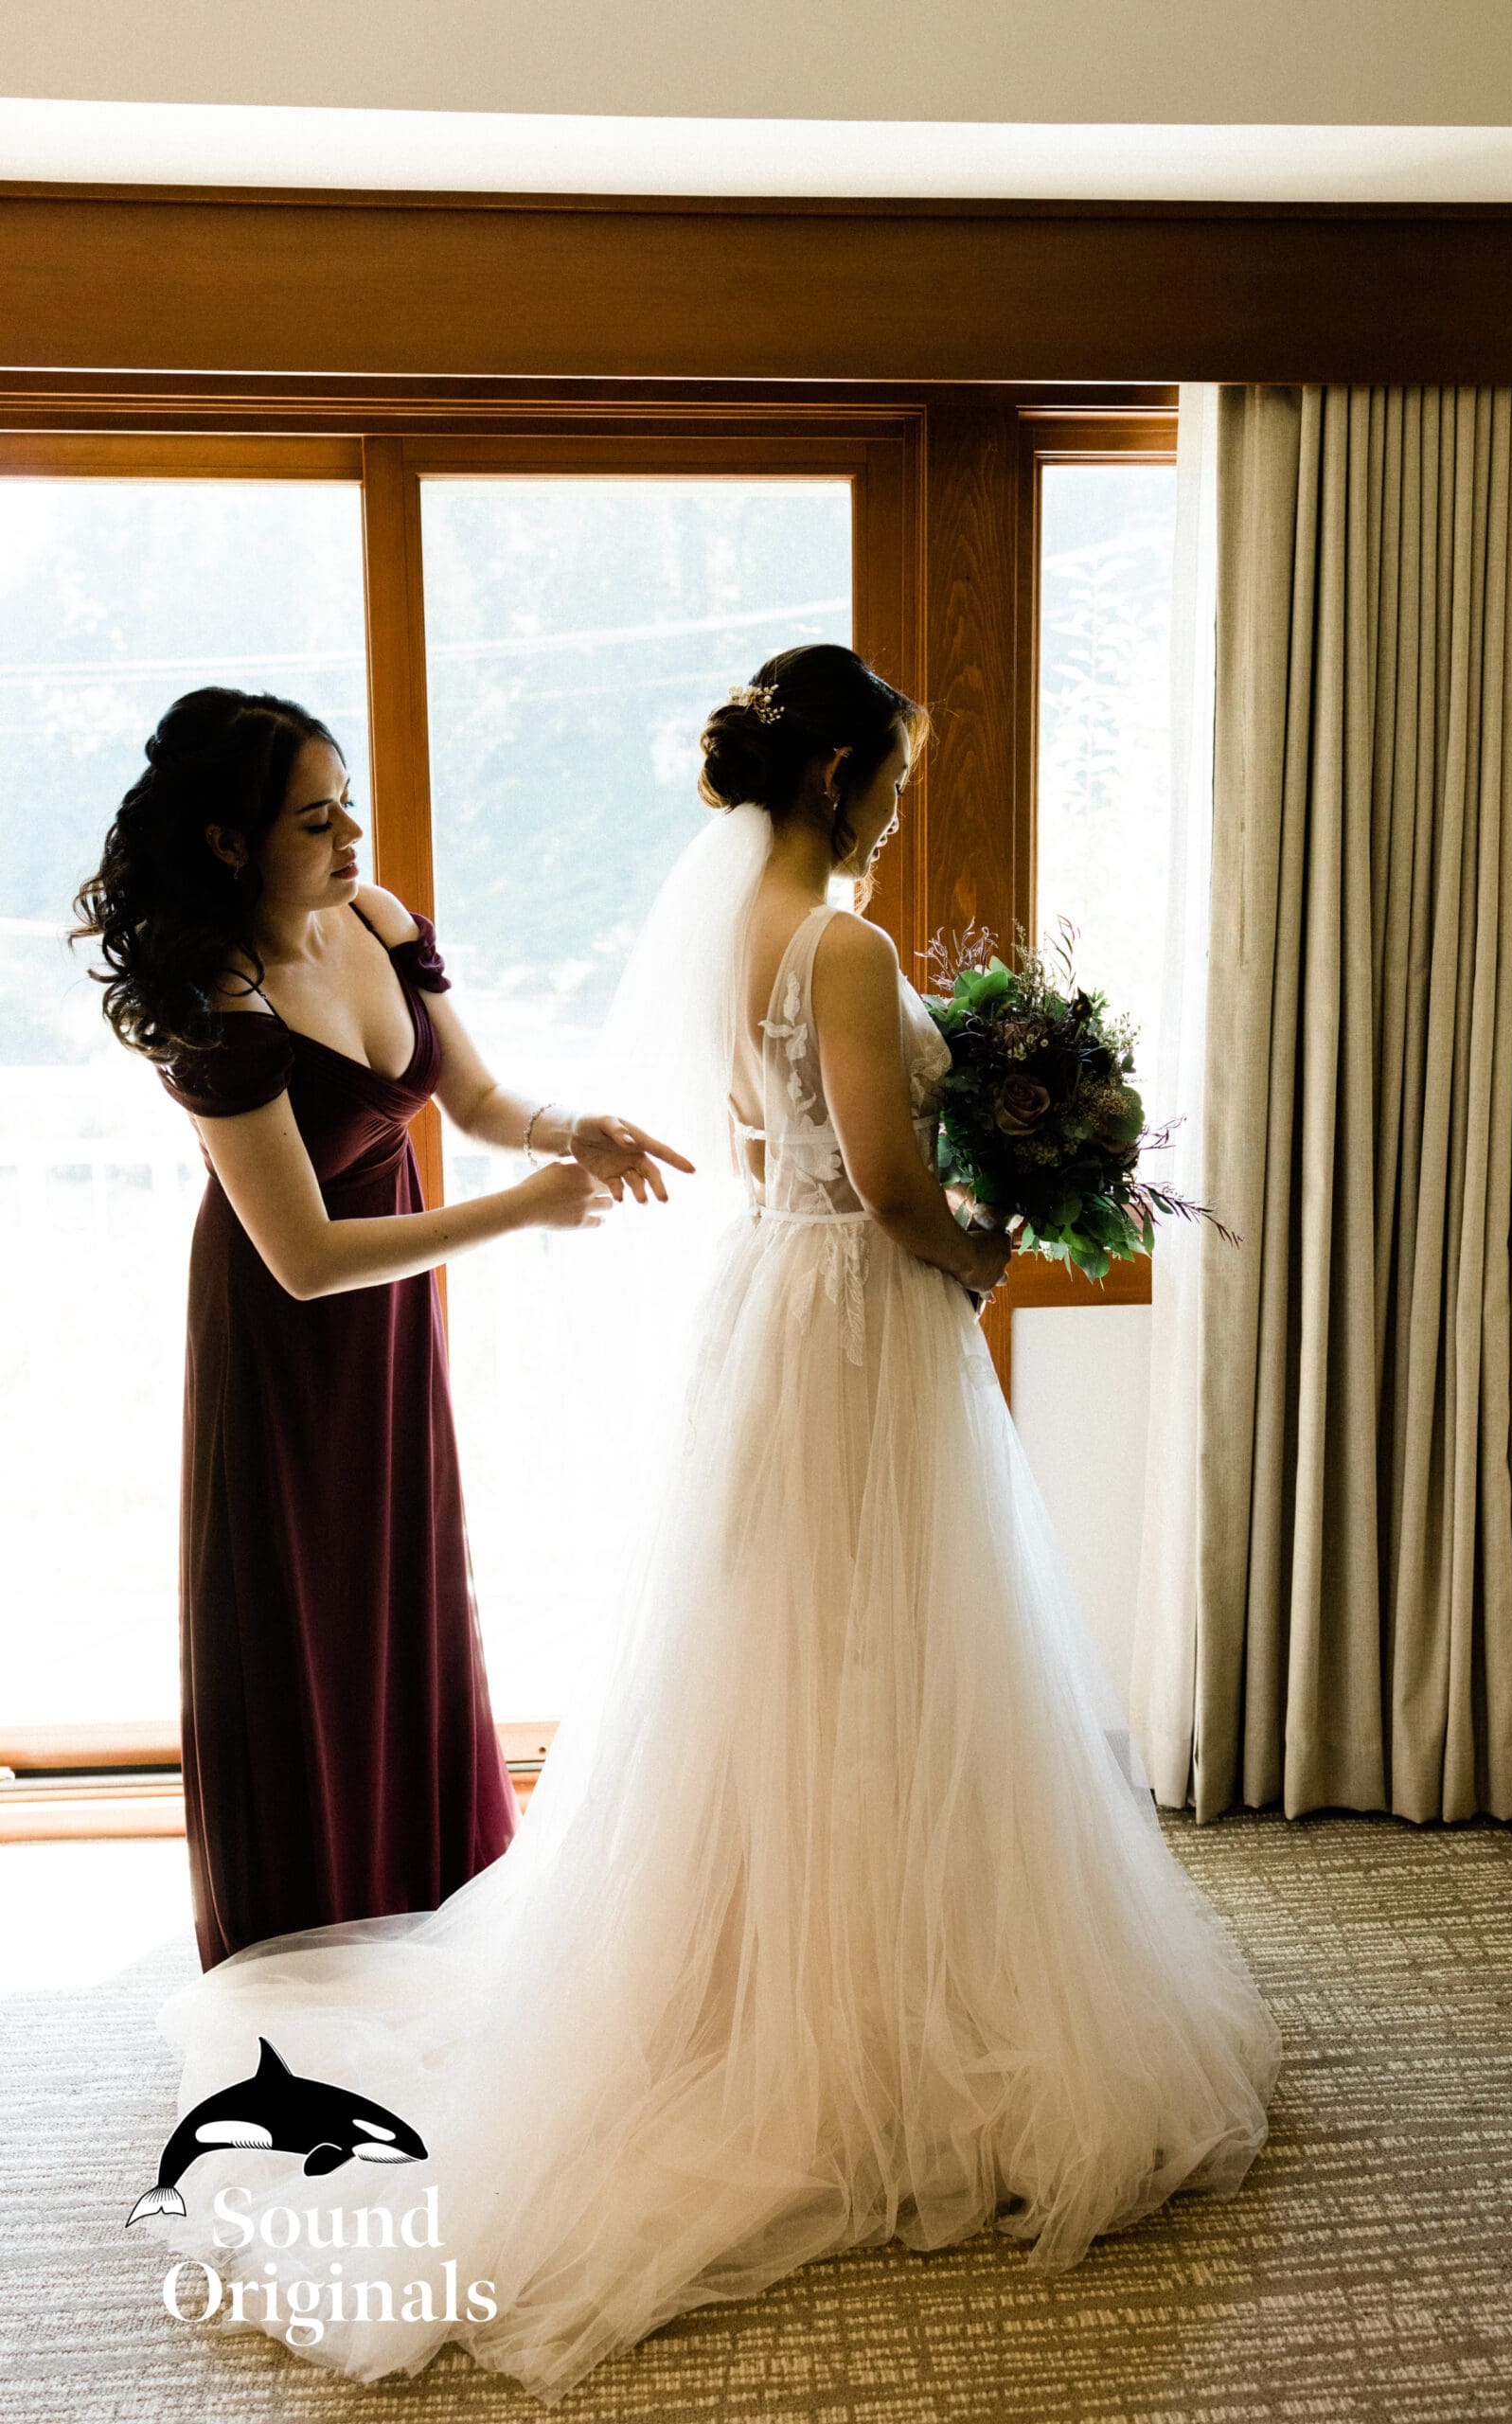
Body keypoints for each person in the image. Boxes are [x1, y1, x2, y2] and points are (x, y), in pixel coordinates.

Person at [137, 649, 1282, 2403]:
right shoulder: (837, 944)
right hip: (788, 1316)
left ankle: (784, 1964)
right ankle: (863, 1992)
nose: (897, 806)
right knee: (887, 1638)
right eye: (893, 776)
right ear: (839, 777)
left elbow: (577, 1111)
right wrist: (983, 1249)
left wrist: (572, 1140)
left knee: (791, 1649)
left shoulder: (721, 926)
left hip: (775, 1309)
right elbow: (886, 1186)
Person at [72, 686, 690, 1970]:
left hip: (391, 1323)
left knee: (410, 1591)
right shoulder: (217, 999)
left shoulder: (376, 918)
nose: (351, 833)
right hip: (284, 1345)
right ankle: (307, 1941)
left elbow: (477, 1098)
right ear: (230, 842)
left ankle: (431, 1896)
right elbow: (301, 1261)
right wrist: (525, 1212)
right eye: (315, 819)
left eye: (346, 801)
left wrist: (570, 1130)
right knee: (302, 1619)